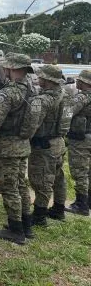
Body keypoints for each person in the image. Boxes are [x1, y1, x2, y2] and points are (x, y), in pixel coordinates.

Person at [0, 53, 37, 244]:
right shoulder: (31, 90)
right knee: (21, 185)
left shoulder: (8, 93)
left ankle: (16, 230)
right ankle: (27, 225)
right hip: (22, 144)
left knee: (9, 188)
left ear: (11, 68)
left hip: (6, 147)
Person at [27, 64, 69, 226]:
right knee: (58, 177)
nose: (39, 79)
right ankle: (58, 208)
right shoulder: (65, 95)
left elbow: (32, 125)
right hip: (58, 141)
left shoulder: (43, 100)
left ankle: (39, 216)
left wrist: (24, 138)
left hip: (44, 145)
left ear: (47, 79)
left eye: (41, 76)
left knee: (42, 180)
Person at [65, 70, 91, 216]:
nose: (77, 82)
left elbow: (67, 113)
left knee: (80, 171)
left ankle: (81, 204)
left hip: (81, 139)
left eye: (80, 80)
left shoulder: (81, 97)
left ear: (86, 83)